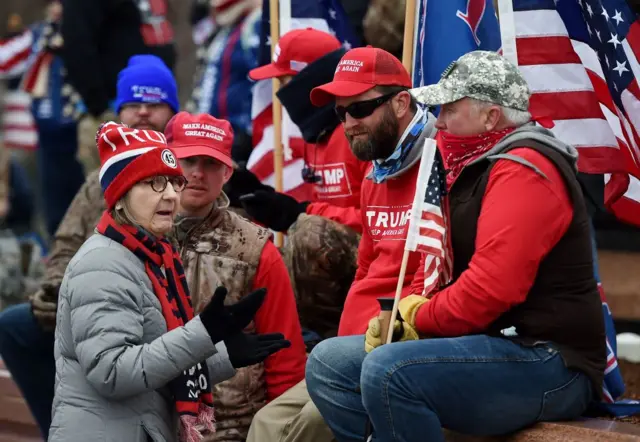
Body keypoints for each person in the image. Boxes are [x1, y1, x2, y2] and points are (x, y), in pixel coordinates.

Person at [305, 50, 606, 442]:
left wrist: (418, 317)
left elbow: (491, 289)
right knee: (328, 363)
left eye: (450, 109)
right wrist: (403, 315)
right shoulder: (470, 165)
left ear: (490, 117)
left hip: (552, 360)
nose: (439, 120)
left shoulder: (524, 170)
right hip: (497, 344)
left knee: (388, 371)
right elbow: (436, 265)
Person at [48, 121, 290, 442]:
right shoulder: (103, 263)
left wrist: (224, 356)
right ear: (120, 196)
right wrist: (201, 334)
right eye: (153, 184)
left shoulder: (150, 255)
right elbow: (113, 372)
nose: (171, 195)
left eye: (173, 183)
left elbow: (155, 369)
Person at [246, 46, 437, 442]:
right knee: (266, 424)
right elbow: (366, 270)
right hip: (347, 345)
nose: (348, 123)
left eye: (360, 110)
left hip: (397, 346)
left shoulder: (438, 168)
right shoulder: (376, 174)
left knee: (306, 427)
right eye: (340, 112)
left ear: (402, 102)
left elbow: (435, 278)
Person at [0, 54, 178, 439]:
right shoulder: (101, 178)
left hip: (151, 304)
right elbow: (65, 243)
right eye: (132, 104)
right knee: (15, 325)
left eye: (154, 103)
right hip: (94, 297)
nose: (143, 112)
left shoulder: (181, 171)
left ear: (173, 110)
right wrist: (58, 287)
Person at [165, 111, 307, 440]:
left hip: (231, 428)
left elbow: (284, 355)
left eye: (211, 163)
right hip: (150, 417)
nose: (198, 173)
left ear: (227, 172)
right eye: (188, 160)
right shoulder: (137, 236)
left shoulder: (257, 250)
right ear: (168, 160)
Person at [241, 27, 368, 341]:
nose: (280, 96)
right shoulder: (317, 135)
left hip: (373, 259)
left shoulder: (360, 133)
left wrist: (302, 213)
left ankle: (331, 339)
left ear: (309, 80)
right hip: (339, 258)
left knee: (307, 233)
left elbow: (377, 219)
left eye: (284, 83)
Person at [61, 0, 175, 173]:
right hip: (110, 112)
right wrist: (100, 108)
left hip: (159, 110)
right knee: (113, 192)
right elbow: (77, 43)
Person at [186, 0, 261, 163]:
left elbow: (263, 82)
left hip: (237, 139)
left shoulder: (256, 22)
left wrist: (248, 131)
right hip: (208, 136)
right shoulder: (226, 27)